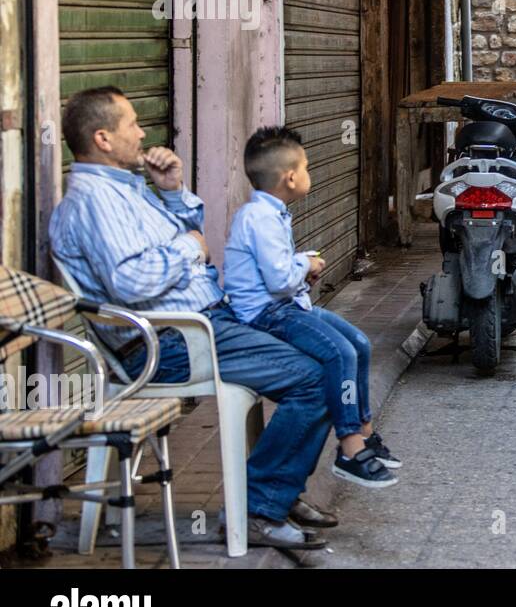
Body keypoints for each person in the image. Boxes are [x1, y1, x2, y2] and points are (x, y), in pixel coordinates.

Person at [49, 87, 335, 549]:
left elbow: (184, 231)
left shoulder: (127, 189)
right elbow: (131, 281)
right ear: (102, 138)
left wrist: (174, 191)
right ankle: (259, 507)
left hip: (203, 324)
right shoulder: (93, 202)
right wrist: (189, 248)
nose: (143, 133)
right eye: (132, 125)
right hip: (170, 343)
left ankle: (279, 491)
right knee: (317, 378)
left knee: (330, 358)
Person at [223, 126, 401, 489]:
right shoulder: (258, 218)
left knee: (359, 345)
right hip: (269, 315)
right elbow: (278, 281)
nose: (309, 174)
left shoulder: (271, 214)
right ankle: (350, 447)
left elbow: (278, 272)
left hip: (288, 306)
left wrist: (301, 266)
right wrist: (305, 266)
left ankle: (364, 433)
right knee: (339, 354)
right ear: (290, 177)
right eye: (306, 167)